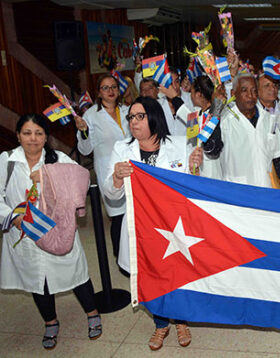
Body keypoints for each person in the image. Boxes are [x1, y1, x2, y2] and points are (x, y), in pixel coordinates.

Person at [103, 96, 203, 351]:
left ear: (154, 117)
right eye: (131, 117)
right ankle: (161, 323)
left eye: (139, 116)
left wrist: (194, 168)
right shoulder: (122, 149)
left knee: (176, 273)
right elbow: (112, 194)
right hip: (142, 226)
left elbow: (194, 185)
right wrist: (115, 178)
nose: (133, 122)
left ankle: (180, 320)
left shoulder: (180, 144)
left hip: (175, 224)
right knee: (151, 276)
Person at [0, 114, 101, 350]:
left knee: (76, 273)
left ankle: (93, 313)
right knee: (38, 280)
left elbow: (82, 180)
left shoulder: (59, 159)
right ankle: (50, 322)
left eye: (38, 133)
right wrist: (14, 218)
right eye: (27, 133)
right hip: (24, 230)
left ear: (46, 137)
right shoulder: (7, 160)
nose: (33, 139)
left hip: (57, 229)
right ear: (18, 136)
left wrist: (48, 177)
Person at [74, 74, 129, 261]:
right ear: (99, 92)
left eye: (113, 87)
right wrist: (83, 132)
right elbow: (84, 148)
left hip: (133, 168)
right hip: (109, 169)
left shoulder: (127, 109)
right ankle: (119, 256)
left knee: (135, 212)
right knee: (118, 215)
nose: (111, 91)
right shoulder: (90, 115)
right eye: (105, 88)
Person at [219, 73, 280, 188]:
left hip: (265, 189)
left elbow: (279, 159)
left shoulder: (268, 119)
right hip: (237, 191)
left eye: (254, 91)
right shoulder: (224, 121)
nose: (250, 95)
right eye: (244, 90)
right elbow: (211, 149)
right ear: (233, 93)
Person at [175, 75, 223, 179]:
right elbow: (192, 143)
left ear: (198, 94)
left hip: (215, 174)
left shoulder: (217, 116)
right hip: (196, 173)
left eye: (191, 93)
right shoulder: (196, 115)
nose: (190, 96)